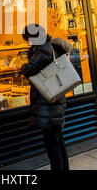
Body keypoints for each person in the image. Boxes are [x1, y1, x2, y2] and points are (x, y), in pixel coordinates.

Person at [20, 24, 72, 171]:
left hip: (48, 103)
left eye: (28, 39)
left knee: (52, 144)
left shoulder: (43, 49)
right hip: (53, 100)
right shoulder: (47, 46)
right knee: (57, 140)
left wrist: (22, 67)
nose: (27, 43)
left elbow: (30, 69)